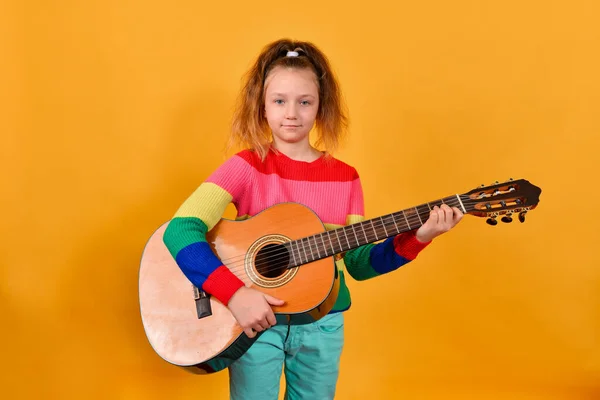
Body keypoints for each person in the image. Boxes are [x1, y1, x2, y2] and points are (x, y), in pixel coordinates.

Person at [162, 38, 463, 400]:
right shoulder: (245, 167)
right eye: (279, 101)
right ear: (262, 106)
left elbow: (359, 264)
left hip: (323, 326)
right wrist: (236, 294)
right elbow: (180, 230)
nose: (292, 113)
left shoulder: (345, 177)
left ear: (321, 107)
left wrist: (421, 236)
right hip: (255, 323)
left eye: (305, 102)